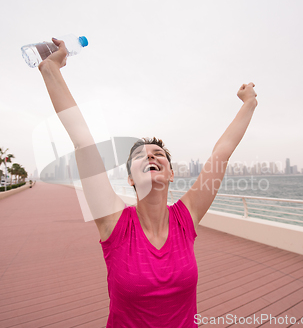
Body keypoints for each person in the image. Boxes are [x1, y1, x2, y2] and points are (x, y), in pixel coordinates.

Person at [38, 38, 258, 327]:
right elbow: (83, 142)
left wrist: (249, 103)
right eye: (140, 156)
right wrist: (50, 69)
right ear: (130, 177)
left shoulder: (186, 217)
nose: (151, 157)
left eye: (158, 154)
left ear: (170, 173)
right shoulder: (114, 223)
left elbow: (222, 152)